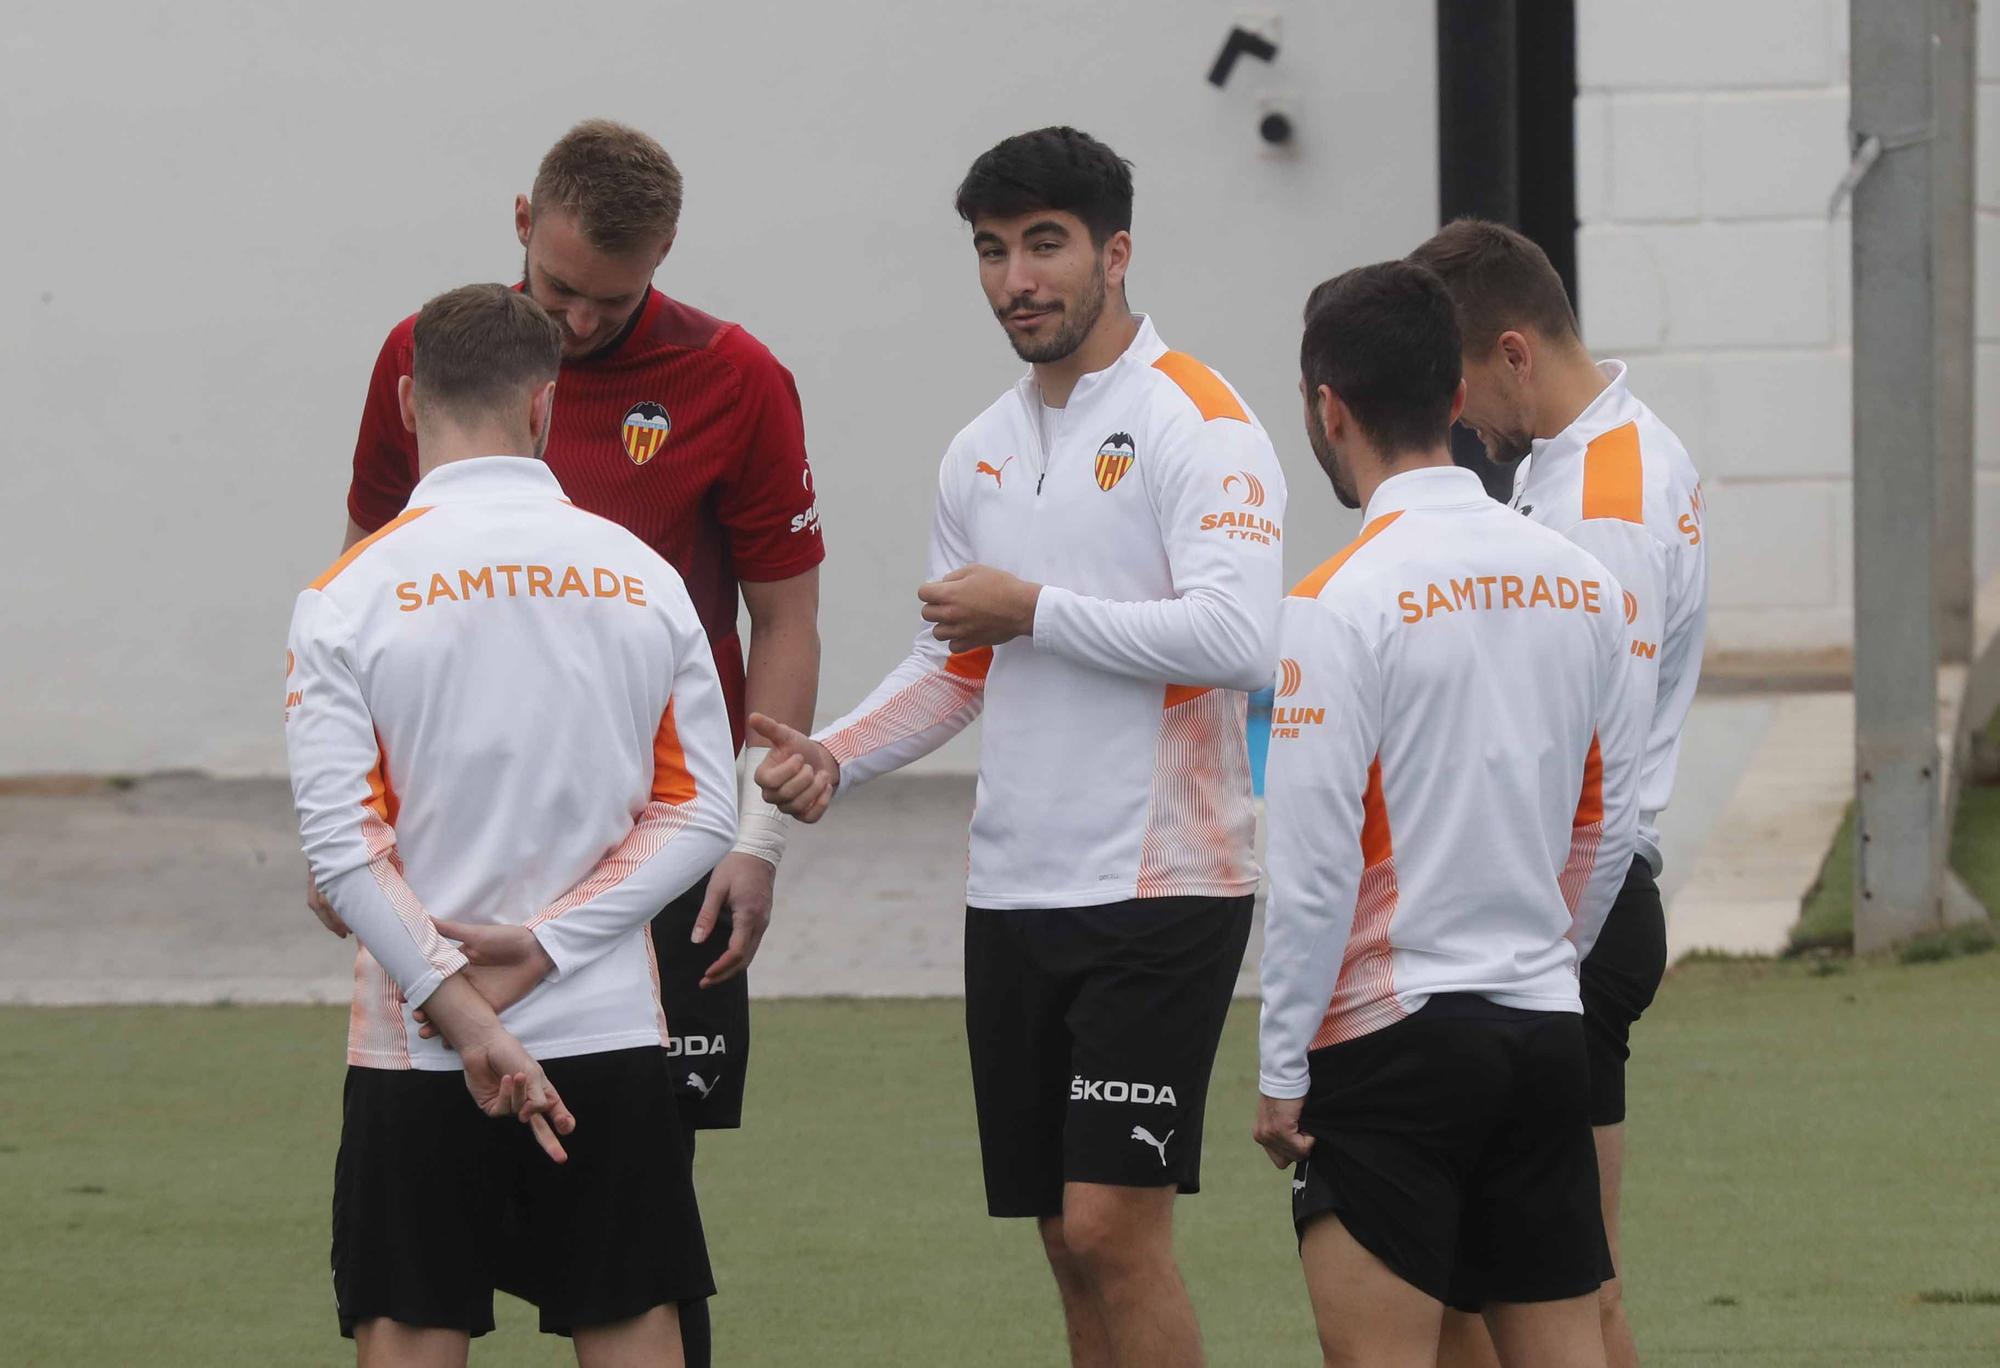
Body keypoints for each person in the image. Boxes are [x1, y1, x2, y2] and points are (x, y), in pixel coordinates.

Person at [751, 126, 1285, 1368]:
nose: (1014, 281)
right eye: (991, 252)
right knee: (1061, 1232)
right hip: (1015, 890)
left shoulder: (1196, 421)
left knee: (1110, 1227)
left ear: (1116, 251)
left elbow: (1238, 636)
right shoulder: (978, 449)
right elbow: (955, 663)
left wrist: (1029, 609)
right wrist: (835, 758)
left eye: (1043, 246)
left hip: (1161, 887)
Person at [318, 118, 822, 1365]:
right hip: (453, 864)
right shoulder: (435, 353)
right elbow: (369, 575)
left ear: (664, 256)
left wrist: (752, 840)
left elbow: (784, 618)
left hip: (652, 849)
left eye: (615, 297)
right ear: (518, 224)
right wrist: (347, 827)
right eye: (557, 292)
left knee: (640, 1206)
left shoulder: (735, 374)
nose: (582, 322)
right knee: (433, 1253)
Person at [288, 283, 739, 1366]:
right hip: (605, 1032)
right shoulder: (645, 576)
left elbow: (344, 855)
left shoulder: (346, 595)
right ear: (543, 407)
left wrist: (465, 1016)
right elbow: (702, 811)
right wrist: (547, 947)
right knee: (633, 1327)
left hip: (417, 1048)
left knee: (410, 1332)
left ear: (406, 400)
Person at [1252, 260, 1644, 1368]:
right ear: (1456, 398)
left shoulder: (1332, 603)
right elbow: (1603, 824)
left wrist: (1282, 1069)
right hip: (1540, 1030)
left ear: (1328, 408)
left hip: (1390, 1043)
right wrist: (1546, 961)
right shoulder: (1581, 584)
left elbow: (1314, 864)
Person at [1410, 218, 1709, 1368]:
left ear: (1514, 351)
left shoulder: (1605, 503)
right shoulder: (1590, 456)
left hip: (1567, 925)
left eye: (1457, 383)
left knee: (1562, 1296)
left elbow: (1608, 760)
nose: (1452, 415)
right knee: (1484, 1286)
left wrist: (1541, 965)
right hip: (1560, 917)